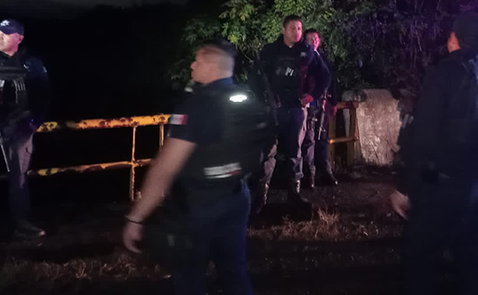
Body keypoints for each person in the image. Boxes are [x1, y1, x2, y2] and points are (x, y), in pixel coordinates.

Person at [390, 12, 478, 295]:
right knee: (471, 263)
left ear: (456, 39)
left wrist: (405, 187)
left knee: (421, 263)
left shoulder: (445, 75)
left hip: (443, 187)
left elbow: (423, 138)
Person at [123, 40, 273, 295]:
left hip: (197, 206)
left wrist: (136, 217)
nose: (193, 65)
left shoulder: (197, 106)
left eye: (198, 60)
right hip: (237, 198)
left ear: (213, 66)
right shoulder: (245, 100)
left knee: (189, 279)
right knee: (235, 275)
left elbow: (166, 167)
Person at [0, 19, 50, 250]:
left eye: (6, 33)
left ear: (19, 38)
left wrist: (33, 124)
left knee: (19, 179)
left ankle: (22, 226)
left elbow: (44, 96)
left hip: (20, 129)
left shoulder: (32, 64)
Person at [251, 16, 330, 212]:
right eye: (293, 28)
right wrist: (261, 100)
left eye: (300, 29)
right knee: (267, 151)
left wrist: (311, 96)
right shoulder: (270, 51)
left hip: (296, 109)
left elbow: (325, 76)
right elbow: (255, 77)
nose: (297, 32)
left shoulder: (308, 52)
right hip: (272, 109)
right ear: (283, 30)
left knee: (295, 152)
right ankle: (260, 196)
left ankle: (294, 195)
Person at [301, 29, 338, 188]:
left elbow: (331, 80)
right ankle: (309, 174)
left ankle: (325, 171)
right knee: (309, 140)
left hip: (322, 104)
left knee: (322, 138)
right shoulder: (303, 58)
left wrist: (334, 102)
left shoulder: (323, 59)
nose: (313, 41)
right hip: (308, 104)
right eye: (310, 39)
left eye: (315, 39)